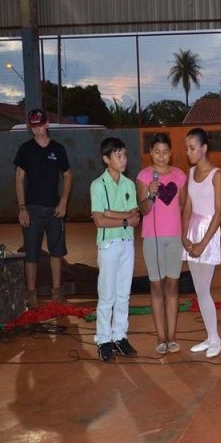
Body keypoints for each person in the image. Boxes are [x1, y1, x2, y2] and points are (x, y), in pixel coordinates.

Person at [14, 108, 72, 308]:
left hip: (54, 210)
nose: (37, 129)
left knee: (57, 253)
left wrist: (63, 201)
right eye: (33, 126)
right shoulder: (25, 149)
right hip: (31, 210)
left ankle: (57, 294)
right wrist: (22, 208)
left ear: (47, 124)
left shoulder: (58, 149)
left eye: (40, 125)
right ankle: (31, 295)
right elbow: (19, 180)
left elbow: (67, 176)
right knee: (31, 254)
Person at [90, 137, 140, 362]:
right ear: (106, 159)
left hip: (127, 244)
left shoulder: (129, 184)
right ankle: (103, 339)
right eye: (118, 156)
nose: (123, 159)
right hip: (108, 245)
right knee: (107, 294)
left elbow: (136, 217)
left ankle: (120, 335)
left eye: (124, 155)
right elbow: (99, 221)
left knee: (124, 294)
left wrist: (111, 213)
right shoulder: (97, 185)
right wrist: (124, 219)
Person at [136, 133, 187, 355]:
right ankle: (160, 337)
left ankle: (172, 337)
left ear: (171, 153)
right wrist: (150, 195)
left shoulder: (179, 175)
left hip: (174, 237)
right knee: (156, 287)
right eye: (156, 151)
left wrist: (186, 235)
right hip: (152, 239)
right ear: (150, 153)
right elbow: (144, 210)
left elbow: (184, 205)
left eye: (165, 152)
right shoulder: (144, 176)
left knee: (172, 285)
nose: (161, 156)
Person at [182, 128, 221, 358]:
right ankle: (210, 337)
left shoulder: (216, 174)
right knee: (199, 290)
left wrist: (202, 243)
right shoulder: (190, 173)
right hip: (192, 231)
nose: (188, 152)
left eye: (192, 147)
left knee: (204, 289)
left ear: (204, 148)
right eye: (187, 148)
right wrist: (184, 234)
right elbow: (188, 207)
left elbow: (219, 213)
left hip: (208, 232)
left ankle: (215, 339)